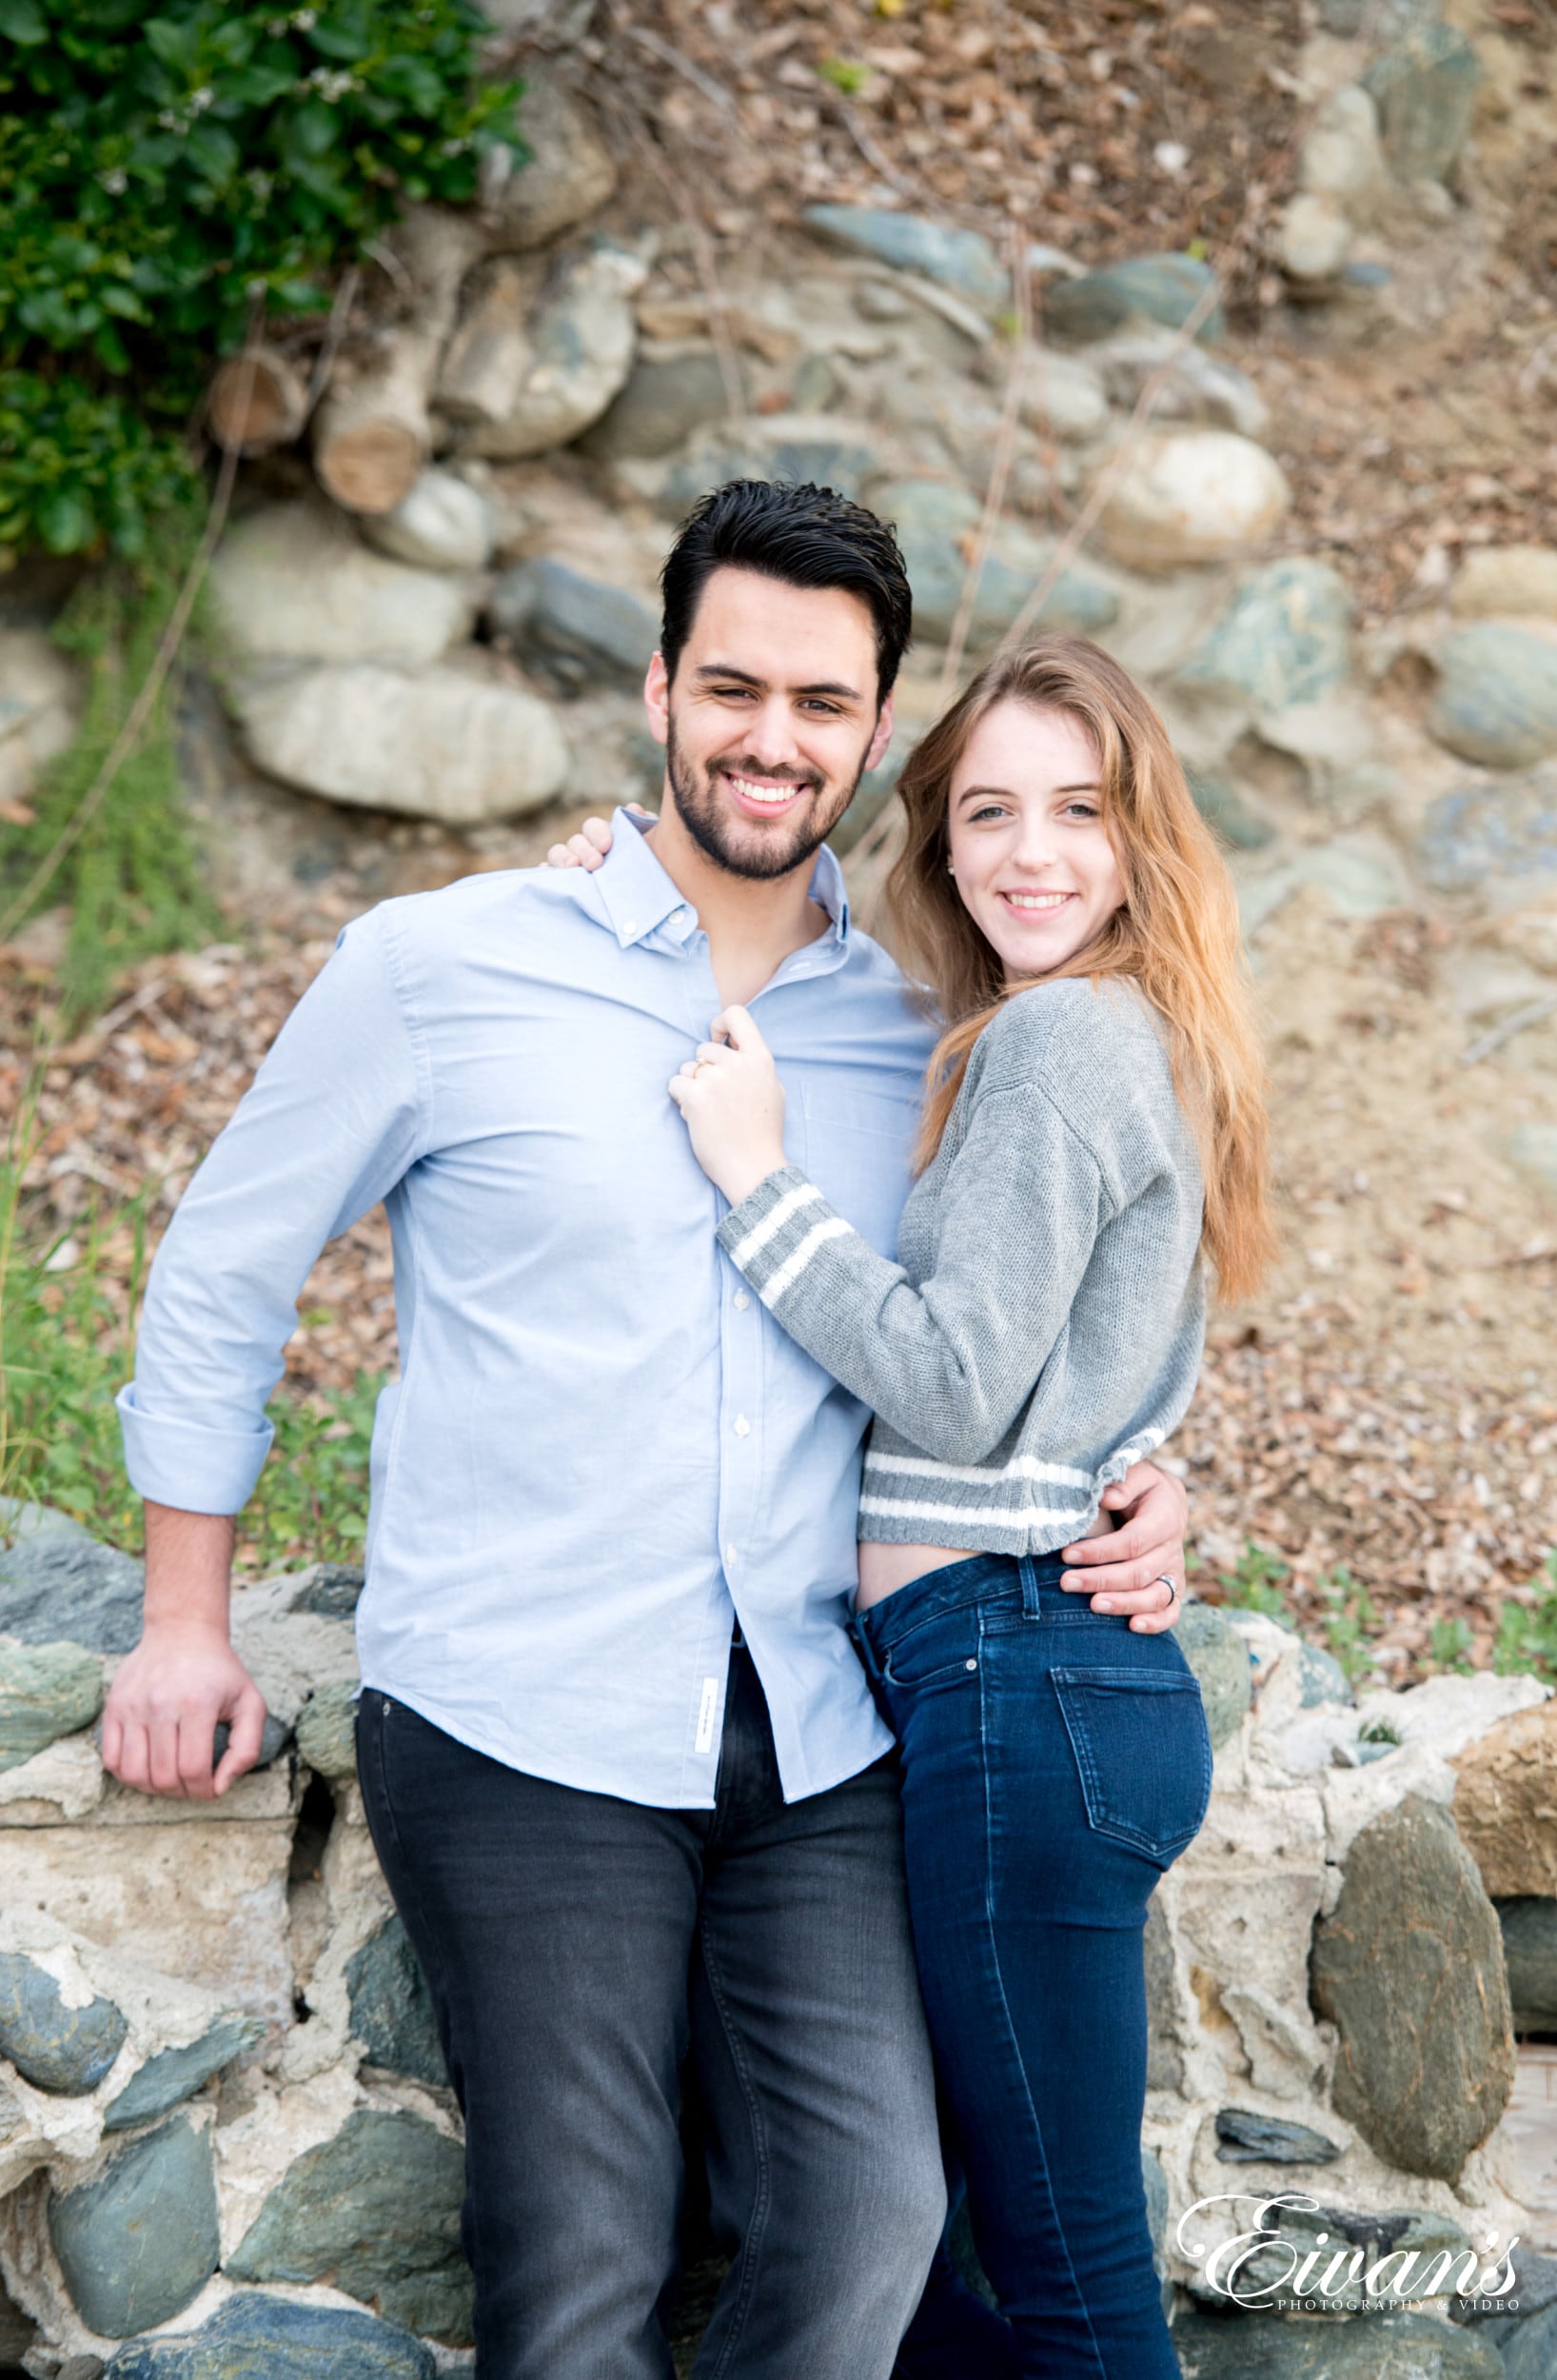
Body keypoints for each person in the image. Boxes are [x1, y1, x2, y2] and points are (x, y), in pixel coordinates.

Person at [101, 480, 1192, 2380]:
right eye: (736, 686)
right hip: (526, 1710)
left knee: (871, 2223)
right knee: (583, 2259)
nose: (775, 739)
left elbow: (1038, 1296)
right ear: (660, 687)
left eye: (825, 703)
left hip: (828, 1719)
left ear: (873, 731)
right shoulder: (440, 967)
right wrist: (185, 1615)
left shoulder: (930, 1017)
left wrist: (1147, 1482)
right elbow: (220, 1268)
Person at [652, 634, 1275, 2378]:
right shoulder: (1092, 1026)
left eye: (1078, 810)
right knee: (901, 2252)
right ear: (934, 840)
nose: (1030, 852)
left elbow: (950, 1381)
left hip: (1019, 1679)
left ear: (1143, 833)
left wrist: (754, 1177)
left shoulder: (1065, 1037)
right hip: (1029, 1682)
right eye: (987, 811)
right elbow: (1106, 1374)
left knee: (1059, 2286)